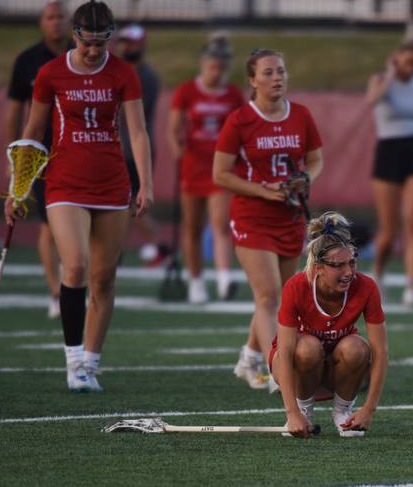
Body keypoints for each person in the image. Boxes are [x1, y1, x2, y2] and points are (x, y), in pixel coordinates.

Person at [5, 0, 153, 392]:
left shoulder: (123, 73)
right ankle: (73, 362)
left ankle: (91, 363)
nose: (92, 52)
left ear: (110, 40)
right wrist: (17, 189)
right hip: (65, 182)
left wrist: (146, 185)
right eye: (86, 44)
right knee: (75, 266)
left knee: (104, 279)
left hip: (112, 184)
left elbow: (137, 132)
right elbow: (33, 131)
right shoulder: (50, 73)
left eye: (100, 45)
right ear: (75, 36)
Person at [213, 48, 323, 392]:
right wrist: (263, 190)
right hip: (252, 216)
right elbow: (220, 174)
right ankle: (280, 369)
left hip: (289, 216)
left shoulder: (301, 115)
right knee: (268, 295)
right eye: (268, 73)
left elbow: (315, 159)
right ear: (252, 80)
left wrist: (306, 180)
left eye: (281, 71)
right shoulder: (240, 120)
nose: (277, 78)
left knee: (280, 298)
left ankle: (248, 358)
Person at [271, 212, 388, 438]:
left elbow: (381, 353)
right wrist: (292, 412)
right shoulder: (296, 286)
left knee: (357, 348)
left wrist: (368, 409)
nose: (348, 272)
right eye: (338, 266)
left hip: (337, 367)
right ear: (318, 267)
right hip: (296, 364)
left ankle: (343, 411)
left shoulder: (366, 287)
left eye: (352, 262)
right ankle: (304, 409)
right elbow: (285, 353)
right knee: (307, 348)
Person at [5, 0, 69, 319]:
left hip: (76, 151)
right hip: (41, 154)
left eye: (61, 17)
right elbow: (17, 111)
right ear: (42, 23)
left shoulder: (83, 55)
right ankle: (56, 291)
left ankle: (73, 285)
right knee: (48, 223)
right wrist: (16, 156)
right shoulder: (27, 61)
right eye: (50, 17)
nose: (56, 22)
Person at [168, 35, 244, 303]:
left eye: (221, 64)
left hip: (220, 167)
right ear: (204, 63)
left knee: (221, 222)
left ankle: (224, 278)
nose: (217, 69)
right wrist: (177, 146)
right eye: (212, 64)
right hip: (193, 165)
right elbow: (174, 127)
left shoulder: (233, 94)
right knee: (192, 227)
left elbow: (242, 127)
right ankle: (196, 282)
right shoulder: (187, 91)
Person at [366, 38, 413, 307]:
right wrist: (391, 75)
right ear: (397, 57)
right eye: (407, 61)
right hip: (389, 152)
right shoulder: (381, 79)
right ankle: (378, 273)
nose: (411, 67)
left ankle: (412, 285)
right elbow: (371, 101)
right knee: (389, 230)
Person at [115, 23, 168, 267]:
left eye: (132, 42)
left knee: (130, 202)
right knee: (122, 203)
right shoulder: (119, 71)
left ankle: (159, 245)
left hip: (133, 149)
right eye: (124, 41)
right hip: (120, 147)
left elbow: (130, 114)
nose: (127, 46)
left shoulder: (145, 76)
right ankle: (118, 248)